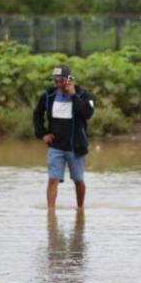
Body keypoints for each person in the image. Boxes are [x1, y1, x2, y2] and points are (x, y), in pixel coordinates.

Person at [33, 64, 94, 210]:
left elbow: (88, 114)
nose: (58, 84)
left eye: (61, 81)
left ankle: (80, 209)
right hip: (55, 146)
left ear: (69, 79)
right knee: (52, 179)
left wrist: (73, 95)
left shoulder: (82, 94)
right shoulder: (49, 95)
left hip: (76, 146)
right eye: (56, 81)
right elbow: (37, 114)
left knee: (78, 180)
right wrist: (42, 133)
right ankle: (51, 212)